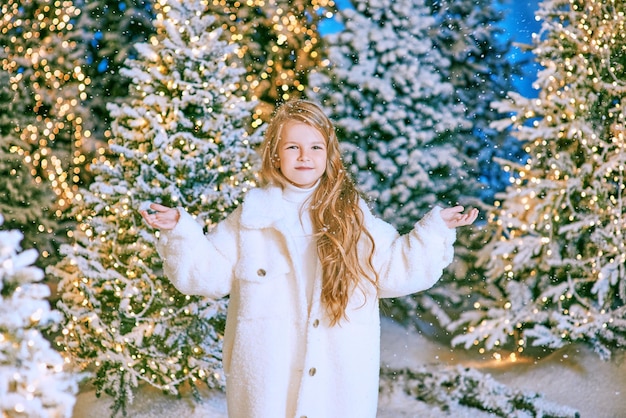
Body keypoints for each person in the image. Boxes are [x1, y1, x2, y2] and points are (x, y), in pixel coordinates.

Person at [140, 99, 478, 418]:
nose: (305, 156)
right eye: (293, 147)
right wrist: (181, 231)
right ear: (275, 155)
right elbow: (205, 275)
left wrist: (435, 230)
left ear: (328, 155)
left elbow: (396, 270)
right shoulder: (252, 218)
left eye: (315, 147)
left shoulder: (353, 218)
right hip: (268, 384)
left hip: (337, 385)